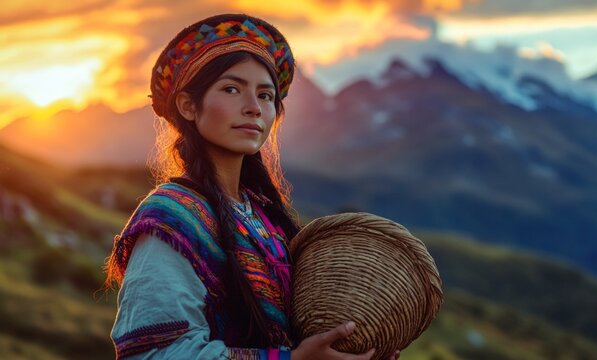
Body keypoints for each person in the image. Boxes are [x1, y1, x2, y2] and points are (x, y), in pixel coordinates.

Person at [104, 13, 401, 360]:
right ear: (187, 105)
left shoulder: (266, 219)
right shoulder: (171, 220)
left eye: (265, 95)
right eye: (232, 89)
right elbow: (153, 354)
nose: (253, 108)